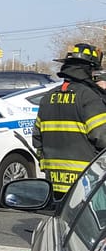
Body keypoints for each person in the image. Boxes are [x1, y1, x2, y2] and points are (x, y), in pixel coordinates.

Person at [33, 43, 106, 197]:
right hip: (86, 181)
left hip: (54, 182)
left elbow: (37, 138)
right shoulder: (89, 97)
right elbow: (103, 137)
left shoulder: (47, 98)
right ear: (88, 69)